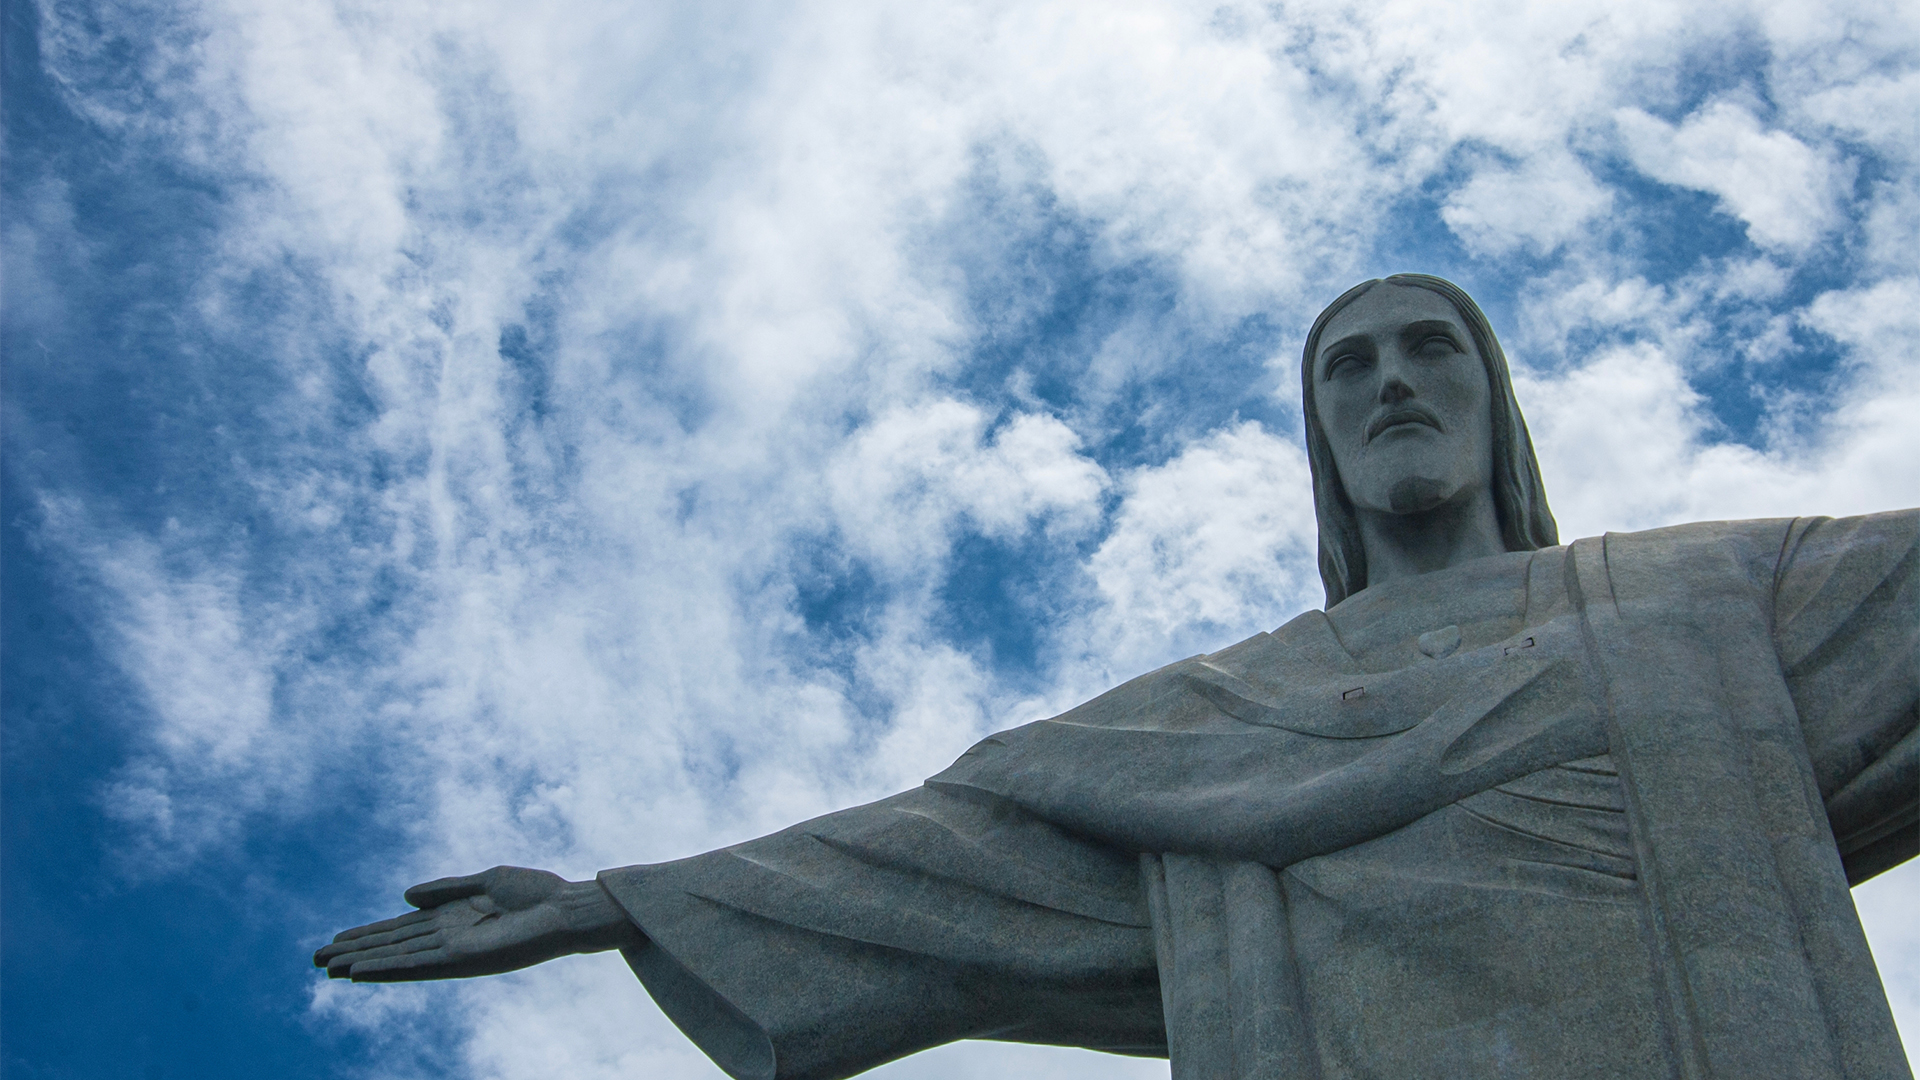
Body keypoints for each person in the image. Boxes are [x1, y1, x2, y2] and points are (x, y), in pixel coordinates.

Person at [317, 275, 1917, 1080]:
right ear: (1319, 443)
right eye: (1348, 367)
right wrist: (622, 902)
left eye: (1432, 348)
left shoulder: (1710, 593)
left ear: (1496, 403)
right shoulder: (1200, 724)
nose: (1392, 382)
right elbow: (942, 852)